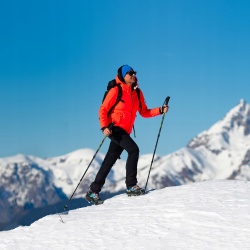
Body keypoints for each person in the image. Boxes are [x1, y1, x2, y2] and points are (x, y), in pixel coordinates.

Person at [85, 65, 169, 204]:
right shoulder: (116, 91)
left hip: (125, 131)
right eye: (130, 73)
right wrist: (104, 126)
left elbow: (144, 112)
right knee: (133, 150)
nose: (133, 75)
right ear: (123, 76)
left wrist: (160, 110)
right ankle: (131, 186)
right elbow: (103, 109)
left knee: (109, 161)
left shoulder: (137, 93)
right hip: (114, 128)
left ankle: (93, 191)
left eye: (134, 73)